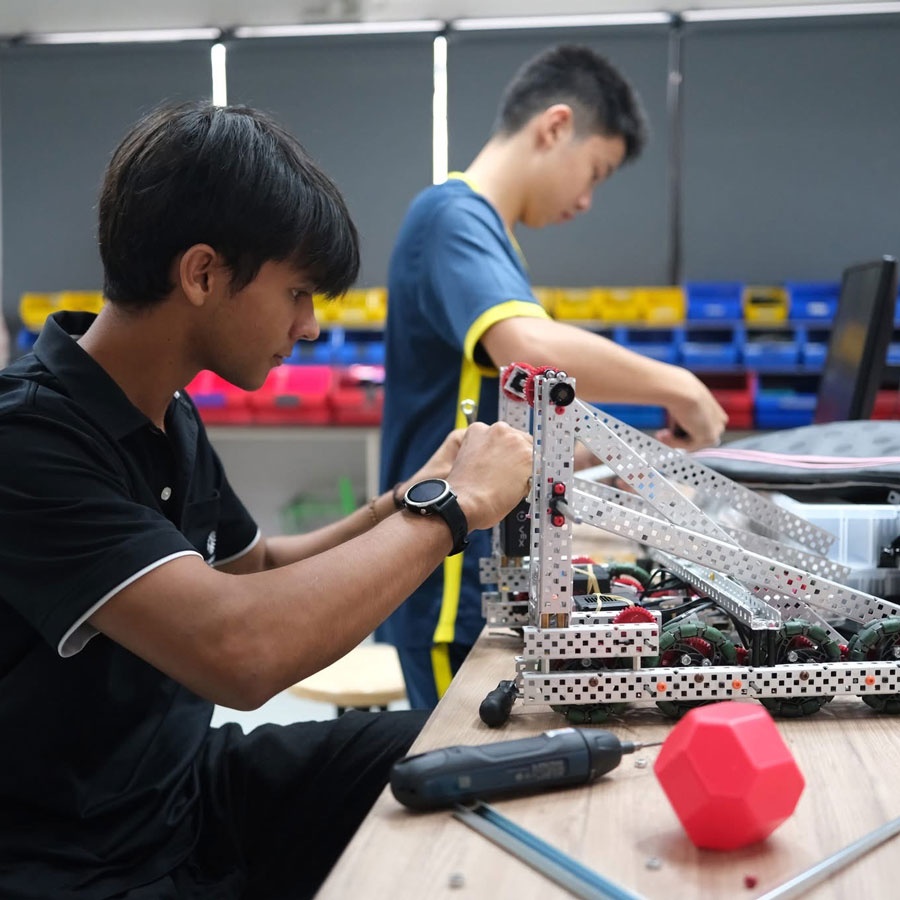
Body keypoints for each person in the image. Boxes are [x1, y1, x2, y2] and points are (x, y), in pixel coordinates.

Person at [0, 101, 533, 900]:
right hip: (75, 862)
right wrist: (452, 510)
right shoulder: (28, 438)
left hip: (185, 798)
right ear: (204, 273)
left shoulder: (167, 412)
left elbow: (254, 571)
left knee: (457, 752)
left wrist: (407, 498)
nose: (311, 326)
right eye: (297, 293)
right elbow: (240, 653)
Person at [378, 44, 729, 710]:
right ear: (555, 126)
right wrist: (681, 386)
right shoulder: (452, 219)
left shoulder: (491, 238)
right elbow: (524, 346)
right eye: (594, 171)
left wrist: (619, 452)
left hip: (471, 566)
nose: (589, 200)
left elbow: (505, 420)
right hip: (447, 582)